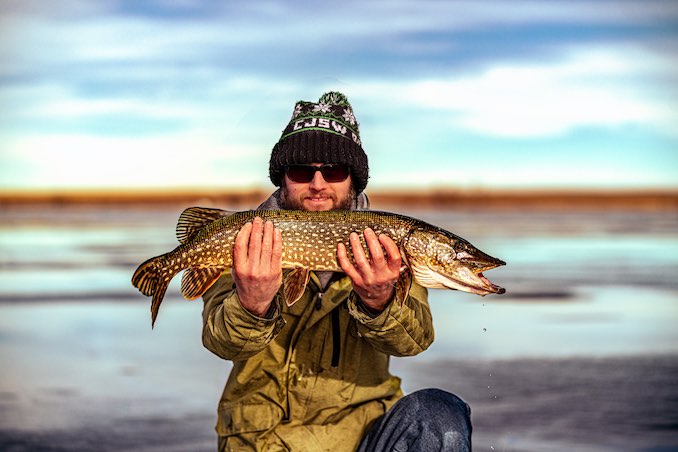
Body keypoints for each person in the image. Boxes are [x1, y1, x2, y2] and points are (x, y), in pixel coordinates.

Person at [202, 92, 472, 451]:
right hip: (265, 441)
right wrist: (253, 304)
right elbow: (223, 342)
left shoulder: (386, 245)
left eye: (333, 171)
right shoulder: (248, 239)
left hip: (366, 436)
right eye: (301, 171)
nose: (317, 184)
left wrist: (380, 301)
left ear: (353, 179)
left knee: (441, 414)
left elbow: (413, 341)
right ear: (283, 178)